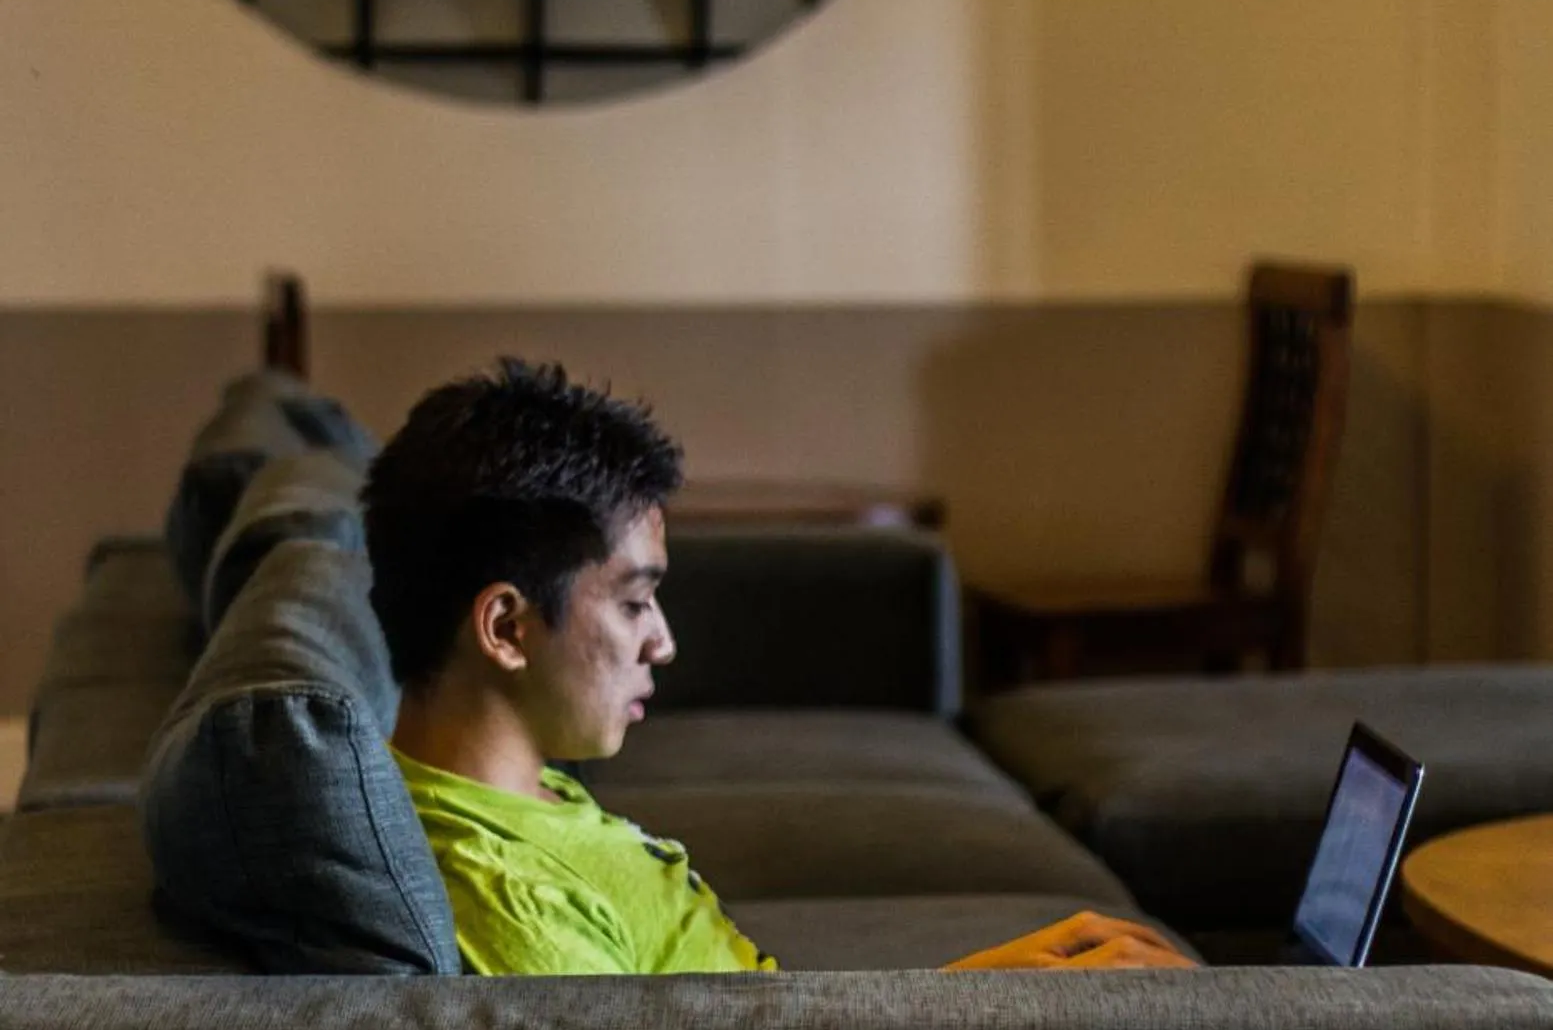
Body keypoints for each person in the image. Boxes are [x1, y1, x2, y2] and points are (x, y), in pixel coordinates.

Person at [363, 359, 1196, 978]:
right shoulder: (509, 898)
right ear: (506, 627)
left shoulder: (512, 796)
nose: (662, 643)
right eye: (634, 602)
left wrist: (982, 985)